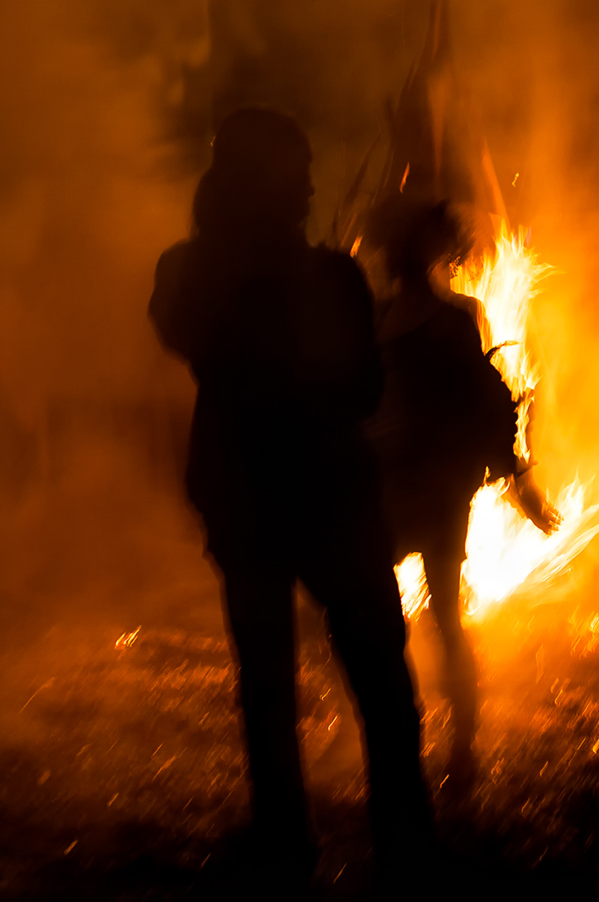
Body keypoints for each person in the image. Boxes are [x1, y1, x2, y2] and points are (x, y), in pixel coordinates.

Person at [149, 108, 431, 884]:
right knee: (378, 678)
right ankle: (403, 841)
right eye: (296, 169)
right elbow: (364, 392)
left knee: (267, 682)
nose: (310, 183)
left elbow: (183, 334)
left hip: (244, 500)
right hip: (329, 500)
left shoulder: (185, 273)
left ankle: (285, 840)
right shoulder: (330, 278)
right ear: (259, 182)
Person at [364, 195, 556, 784]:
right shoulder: (382, 321)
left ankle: (457, 745)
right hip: (404, 489)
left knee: (435, 616)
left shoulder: (441, 321)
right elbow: (485, 403)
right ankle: (421, 740)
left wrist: (519, 480)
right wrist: (518, 480)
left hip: (427, 490)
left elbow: (485, 402)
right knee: (413, 618)